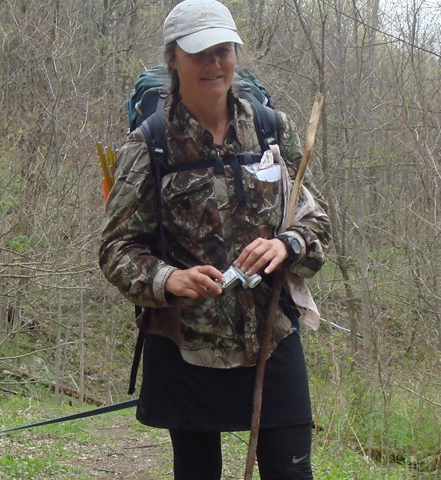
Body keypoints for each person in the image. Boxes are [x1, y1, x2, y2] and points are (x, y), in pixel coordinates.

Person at [99, 0, 331, 478]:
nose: (214, 63)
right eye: (199, 52)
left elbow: (317, 221)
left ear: (236, 55)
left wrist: (286, 244)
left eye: (223, 50)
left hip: (271, 335)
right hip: (189, 345)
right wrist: (169, 279)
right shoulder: (150, 144)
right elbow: (116, 248)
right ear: (173, 59)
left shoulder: (271, 130)